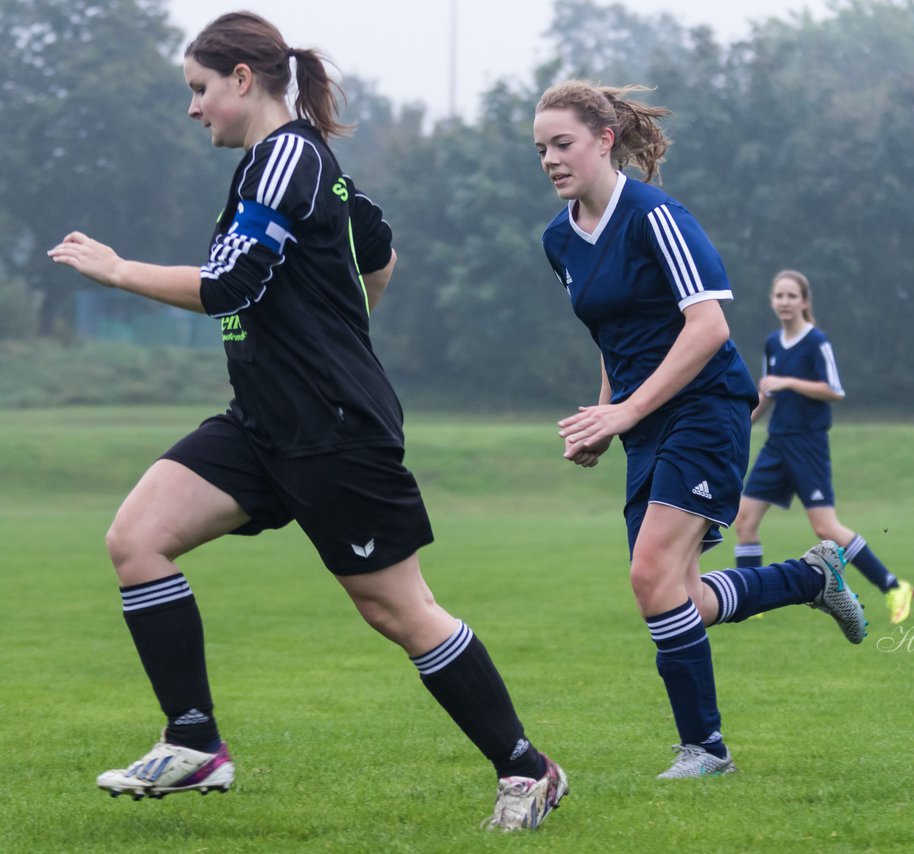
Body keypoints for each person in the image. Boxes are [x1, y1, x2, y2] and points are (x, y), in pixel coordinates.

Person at [47, 12, 565, 832]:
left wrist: (116, 270)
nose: (194, 109)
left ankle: (527, 769)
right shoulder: (290, 166)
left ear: (243, 81)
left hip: (334, 428)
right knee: (136, 538)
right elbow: (377, 250)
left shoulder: (288, 155)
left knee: (398, 610)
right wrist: (342, 322)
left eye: (200, 90)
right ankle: (194, 741)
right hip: (262, 422)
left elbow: (229, 284)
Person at [533, 80, 868, 780]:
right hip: (642, 424)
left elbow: (708, 325)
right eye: (540, 149)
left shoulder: (656, 216)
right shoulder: (560, 238)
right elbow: (612, 335)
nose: (550, 160)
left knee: (650, 576)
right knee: (675, 593)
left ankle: (706, 750)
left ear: (604, 140)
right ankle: (810, 578)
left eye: (562, 144)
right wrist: (604, 416)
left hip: (707, 407)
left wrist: (623, 410)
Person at [734, 270, 914, 625]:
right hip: (777, 445)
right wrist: (738, 426)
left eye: (791, 296)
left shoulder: (817, 342)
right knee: (745, 520)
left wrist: (786, 381)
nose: (784, 302)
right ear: (772, 301)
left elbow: (834, 390)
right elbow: (767, 395)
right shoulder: (773, 343)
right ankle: (751, 599)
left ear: (804, 301)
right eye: (779, 296)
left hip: (808, 445)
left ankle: (895, 587)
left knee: (826, 528)